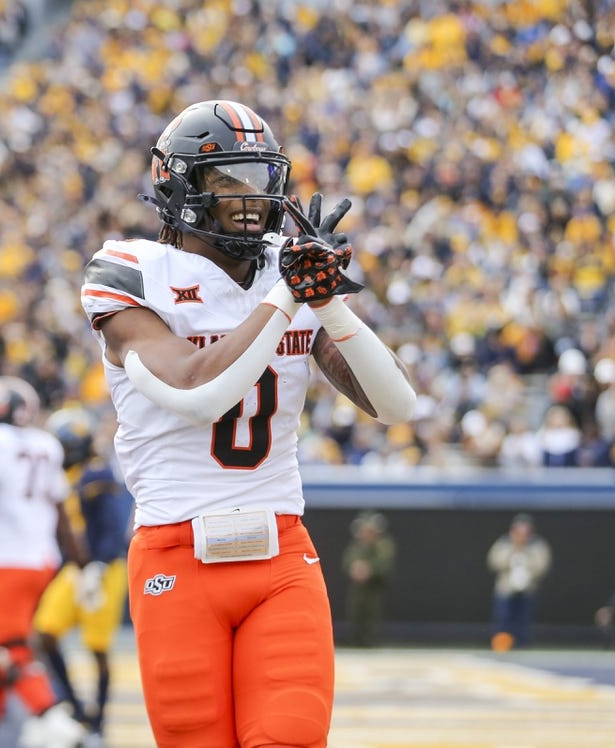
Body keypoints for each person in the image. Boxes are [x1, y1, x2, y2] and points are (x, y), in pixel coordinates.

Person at [79, 100, 416, 747]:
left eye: (258, 180)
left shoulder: (285, 269)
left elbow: (399, 406)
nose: (248, 199)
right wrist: (288, 295)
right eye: (225, 181)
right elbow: (197, 393)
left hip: (281, 551)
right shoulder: (130, 273)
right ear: (175, 184)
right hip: (177, 555)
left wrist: (329, 305)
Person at [0, 377, 89, 748]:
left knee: (4, 649)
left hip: (5, 560)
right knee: (3, 643)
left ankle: (52, 717)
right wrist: (80, 564)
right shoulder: (44, 443)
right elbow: (61, 513)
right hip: (41, 561)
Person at [34, 406, 133, 742]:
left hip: (103, 569)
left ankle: (98, 721)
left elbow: (112, 525)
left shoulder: (96, 474)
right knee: (44, 634)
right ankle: (75, 708)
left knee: (98, 648)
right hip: (74, 570)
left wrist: (100, 564)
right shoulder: (69, 475)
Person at [487, 513, 552, 650]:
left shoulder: (537, 545)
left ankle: (522, 645)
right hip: (506, 589)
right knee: (504, 619)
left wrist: (527, 558)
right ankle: (502, 645)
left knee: (523, 620)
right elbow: (494, 562)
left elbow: (542, 566)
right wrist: (514, 549)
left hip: (528, 589)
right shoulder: (504, 543)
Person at [341, 510, 395, 648]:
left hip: (374, 586)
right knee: (355, 611)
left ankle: (370, 641)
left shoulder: (383, 545)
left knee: (372, 613)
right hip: (358, 587)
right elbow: (348, 561)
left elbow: (384, 563)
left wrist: (369, 570)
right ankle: (356, 640)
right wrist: (355, 569)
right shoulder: (357, 546)